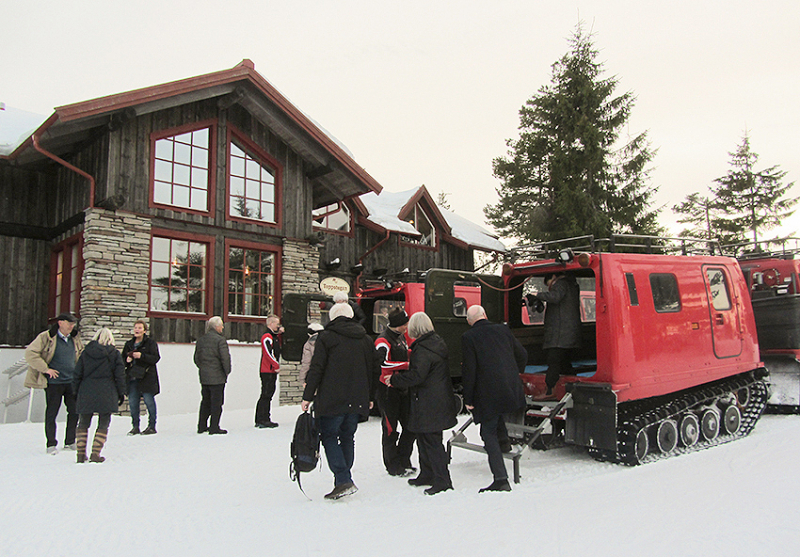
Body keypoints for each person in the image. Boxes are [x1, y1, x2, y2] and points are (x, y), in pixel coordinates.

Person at [301, 302, 379, 500]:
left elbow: (316, 368)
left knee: (328, 436)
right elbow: (373, 369)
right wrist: (371, 396)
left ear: (332, 317)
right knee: (347, 436)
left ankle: (343, 478)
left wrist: (307, 396)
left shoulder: (326, 338)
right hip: (357, 398)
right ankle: (343, 479)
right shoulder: (366, 339)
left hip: (332, 397)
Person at [387, 312, 457, 495]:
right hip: (436, 400)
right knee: (425, 439)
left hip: (428, 402)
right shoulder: (435, 343)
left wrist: (394, 380)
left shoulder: (423, 349)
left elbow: (417, 376)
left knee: (431, 442)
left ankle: (442, 480)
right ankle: (427, 474)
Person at [461, 305, 527, 493]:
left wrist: (469, 398)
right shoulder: (503, 330)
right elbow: (522, 354)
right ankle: (505, 445)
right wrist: (514, 374)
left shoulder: (469, 337)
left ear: (469, 321)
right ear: (485, 315)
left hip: (487, 394)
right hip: (509, 389)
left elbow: (470, 370)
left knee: (487, 433)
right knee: (497, 419)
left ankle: (500, 479)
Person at [24, 312, 85, 454]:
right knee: (52, 412)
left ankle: (70, 441)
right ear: (60, 322)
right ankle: (51, 443)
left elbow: (80, 354)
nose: (72, 326)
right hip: (54, 383)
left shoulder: (74, 338)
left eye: (73, 323)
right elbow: (31, 353)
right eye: (69, 323)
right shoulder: (46, 337)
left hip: (71, 381)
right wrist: (46, 369)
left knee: (74, 411)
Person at [73, 328, 126, 463]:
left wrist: (76, 391)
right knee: (103, 422)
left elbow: (77, 373)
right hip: (107, 390)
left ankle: (80, 454)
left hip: (87, 389)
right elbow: (119, 376)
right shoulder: (114, 354)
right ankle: (95, 453)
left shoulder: (85, 353)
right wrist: (121, 393)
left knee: (83, 422)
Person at [374, 307, 416, 477]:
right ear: (398, 324)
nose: (407, 326)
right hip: (388, 391)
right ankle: (392, 465)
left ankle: (404, 459)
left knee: (410, 426)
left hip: (402, 388)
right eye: (405, 323)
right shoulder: (382, 340)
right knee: (390, 429)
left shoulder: (400, 338)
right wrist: (407, 365)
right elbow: (382, 364)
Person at [526, 272, 581, 399]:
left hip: (559, 332)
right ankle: (573, 388)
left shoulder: (561, 284)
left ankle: (550, 390)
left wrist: (537, 295)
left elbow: (555, 297)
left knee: (553, 360)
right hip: (569, 331)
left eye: (550, 285)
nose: (550, 288)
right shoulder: (572, 285)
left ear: (554, 277)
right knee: (565, 361)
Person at [122, 320, 161, 435]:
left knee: (149, 401)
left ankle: (152, 426)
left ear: (144, 330)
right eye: (135, 328)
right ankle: (135, 426)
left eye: (139, 328)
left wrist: (141, 356)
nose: (137, 330)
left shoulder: (150, 343)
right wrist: (127, 360)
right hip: (132, 377)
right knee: (133, 402)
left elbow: (155, 358)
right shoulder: (129, 344)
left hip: (146, 377)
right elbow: (121, 360)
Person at [194, 316, 232, 435]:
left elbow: (196, 358)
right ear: (216, 327)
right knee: (217, 402)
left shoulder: (201, 340)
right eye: (221, 325)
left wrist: (203, 368)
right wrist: (227, 371)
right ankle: (214, 426)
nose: (222, 328)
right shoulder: (220, 340)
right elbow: (225, 358)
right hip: (217, 376)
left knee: (205, 401)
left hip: (204, 376)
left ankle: (202, 425)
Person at [255, 315, 282, 429]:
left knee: (268, 394)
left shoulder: (272, 336)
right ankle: (263, 419)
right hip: (267, 370)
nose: (278, 325)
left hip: (270, 370)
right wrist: (275, 364)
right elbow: (268, 352)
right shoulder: (267, 336)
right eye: (276, 323)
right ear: (271, 323)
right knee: (266, 394)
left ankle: (263, 417)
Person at [298, 322, 324, 387]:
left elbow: (306, 363)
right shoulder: (329, 342)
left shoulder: (308, 344)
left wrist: (302, 379)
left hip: (314, 375)